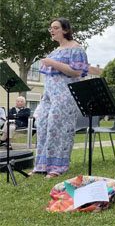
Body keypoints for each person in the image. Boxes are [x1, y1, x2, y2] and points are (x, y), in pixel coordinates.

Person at [30, 17, 88, 179]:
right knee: (42, 125)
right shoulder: (54, 51)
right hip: (49, 95)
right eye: (51, 28)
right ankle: (41, 165)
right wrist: (49, 61)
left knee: (58, 128)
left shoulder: (76, 49)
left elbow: (77, 72)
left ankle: (58, 167)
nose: (52, 30)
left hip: (65, 96)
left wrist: (52, 63)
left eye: (55, 27)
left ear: (65, 30)